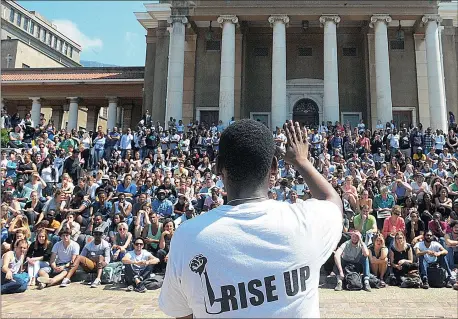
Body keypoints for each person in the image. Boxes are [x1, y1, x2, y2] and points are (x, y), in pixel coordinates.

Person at [159, 120, 342, 317]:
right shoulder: (306, 222)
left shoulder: (187, 237)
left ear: (218, 167)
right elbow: (332, 202)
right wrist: (301, 161)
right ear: (273, 167)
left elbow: (182, 313)